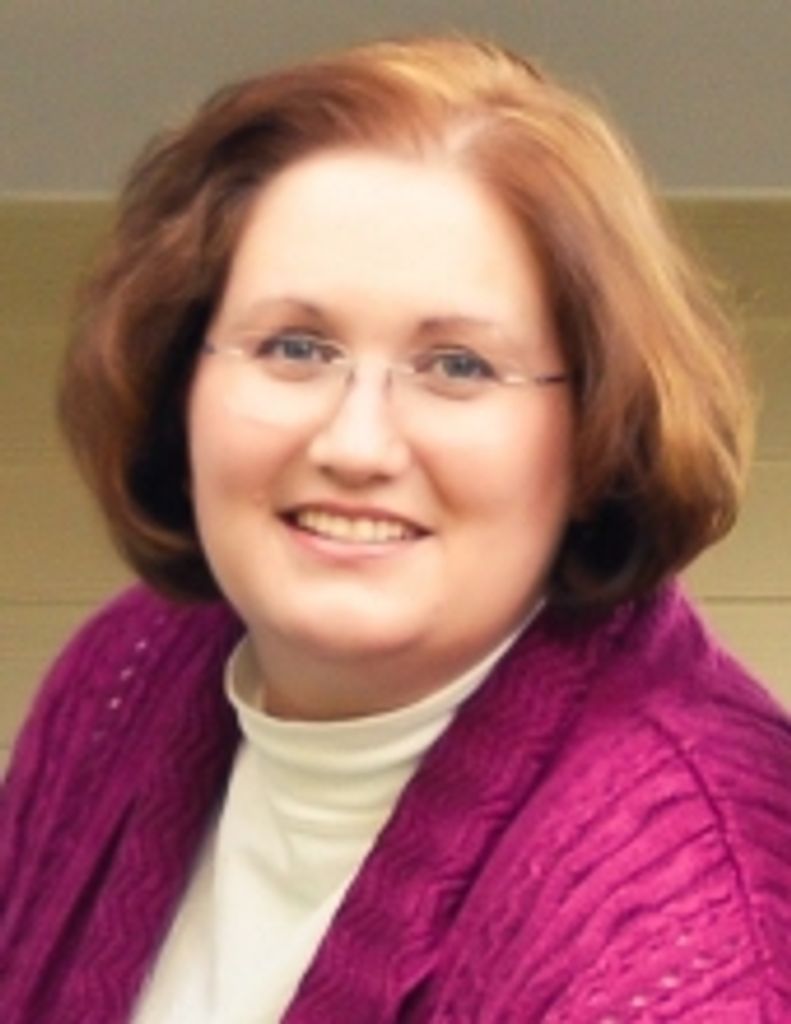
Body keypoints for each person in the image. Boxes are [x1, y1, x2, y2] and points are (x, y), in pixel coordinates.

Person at [1, 34, 790, 1024]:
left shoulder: (685, 919)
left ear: (595, 427)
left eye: (457, 365)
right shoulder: (128, 673)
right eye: (294, 347)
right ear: (180, 376)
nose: (355, 443)